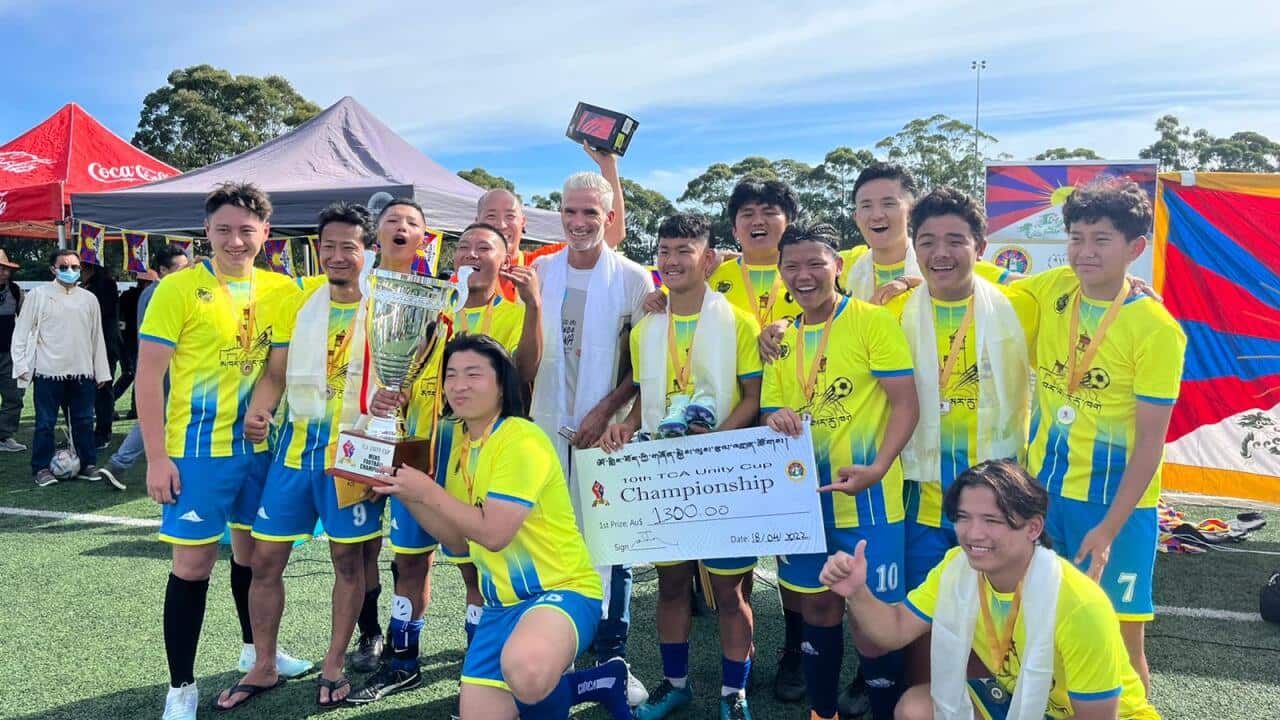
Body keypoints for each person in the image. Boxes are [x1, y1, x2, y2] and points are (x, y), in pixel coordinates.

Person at [371, 333, 630, 720]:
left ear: (500, 383)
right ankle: (593, 684)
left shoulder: (519, 438)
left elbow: (493, 534)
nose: (459, 385)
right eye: (452, 375)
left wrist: (429, 490)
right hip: (498, 607)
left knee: (526, 671)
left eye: (473, 374)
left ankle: (598, 683)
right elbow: (458, 544)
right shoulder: (461, 444)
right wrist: (408, 493)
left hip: (561, 593)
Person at [136, 183, 311, 720]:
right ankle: (181, 687)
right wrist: (157, 457)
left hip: (258, 451)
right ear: (206, 232)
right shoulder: (178, 288)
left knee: (255, 557)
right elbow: (147, 379)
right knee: (191, 567)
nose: (236, 240)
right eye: (224, 230)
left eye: (247, 230)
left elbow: (276, 370)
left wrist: (262, 409)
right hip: (195, 454)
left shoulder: (283, 291)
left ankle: (255, 652)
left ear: (266, 233)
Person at [1013, 179, 1185, 694]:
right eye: (1076, 237)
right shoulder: (1052, 289)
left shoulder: (1156, 328)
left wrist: (1109, 529)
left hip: (1114, 509)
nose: (1084, 252)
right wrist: (905, 284)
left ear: (1134, 248)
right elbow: (976, 279)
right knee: (1049, 627)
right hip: (1045, 496)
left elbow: (1150, 445)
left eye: (1100, 239)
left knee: (1119, 641)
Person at [820, 459, 1160, 720]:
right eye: (964, 517)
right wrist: (857, 591)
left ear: (1033, 527)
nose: (973, 533)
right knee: (915, 709)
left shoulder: (1078, 605)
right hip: (1032, 704)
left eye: (992, 520)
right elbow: (892, 631)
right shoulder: (957, 568)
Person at [211, 202, 382, 710]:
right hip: (293, 455)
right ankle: (263, 664)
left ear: (365, 252)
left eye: (347, 247)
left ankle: (333, 663)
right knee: (264, 560)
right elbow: (274, 374)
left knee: (348, 561)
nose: (336, 256)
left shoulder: (384, 307)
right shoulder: (301, 300)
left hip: (352, 457)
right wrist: (259, 412)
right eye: (327, 246)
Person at [599, 212, 763, 720]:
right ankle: (676, 686)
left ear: (709, 258)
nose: (671, 260)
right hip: (663, 475)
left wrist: (715, 442)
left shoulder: (737, 320)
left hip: (719, 473)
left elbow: (753, 398)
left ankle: (733, 695)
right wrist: (625, 423)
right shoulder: (646, 326)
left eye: (683, 251)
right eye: (664, 251)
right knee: (670, 586)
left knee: (729, 591)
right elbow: (647, 396)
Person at [761, 220, 919, 720]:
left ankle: (885, 709)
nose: (803, 275)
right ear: (781, 272)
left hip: (869, 499)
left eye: (814, 263)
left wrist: (879, 466)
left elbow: (905, 405)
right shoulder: (781, 338)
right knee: (818, 610)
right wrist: (775, 416)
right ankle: (822, 713)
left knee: (874, 623)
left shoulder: (873, 321)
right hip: (805, 502)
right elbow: (771, 409)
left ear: (838, 266)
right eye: (792, 266)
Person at [882, 187, 1038, 685]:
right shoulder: (890, 314)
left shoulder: (1020, 306)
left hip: (997, 505)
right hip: (921, 500)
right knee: (922, 622)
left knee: (995, 622)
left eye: (956, 240)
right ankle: (920, 704)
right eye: (927, 242)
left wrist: (1133, 289)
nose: (940, 253)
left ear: (981, 246)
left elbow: (1080, 289)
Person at [530, 170, 655, 706]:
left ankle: (611, 659)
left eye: (590, 213)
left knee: (610, 541)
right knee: (548, 536)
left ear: (609, 218)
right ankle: (555, 652)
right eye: (570, 211)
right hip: (544, 426)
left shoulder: (633, 278)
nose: (578, 222)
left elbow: (645, 365)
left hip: (608, 433)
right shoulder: (539, 270)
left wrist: (606, 412)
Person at [346, 197, 452, 704]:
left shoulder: (441, 293)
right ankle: (382, 642)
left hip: (422, 442)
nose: (402, 227)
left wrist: (410, 388)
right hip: (361, 434)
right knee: (368, 549)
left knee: (430, 559)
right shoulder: (353, 287)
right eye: (393, 220)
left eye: (413, 222)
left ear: (424, 236)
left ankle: (430, 658)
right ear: (378, 231)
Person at [437, 222, 543, 657]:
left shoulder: (516, 313)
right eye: (463, 246)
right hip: (441, 446)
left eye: (484, 247)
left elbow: (527, 371)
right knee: (459, 564)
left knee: (498, 560)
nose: (471, 254)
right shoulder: (435, 310)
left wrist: (534, 306)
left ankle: (499, 652)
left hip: (495, 451)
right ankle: (465, 652)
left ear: (506, 259)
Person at [475, 142, 626, 301]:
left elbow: (612, 235)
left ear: (523, 222)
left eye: (510, 216)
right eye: (491, 216)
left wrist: (608, 165)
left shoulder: (542, 263)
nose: (501, 224)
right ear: (477, 223)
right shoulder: (464, 278)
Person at [12, 249, 112, 487]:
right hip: (48, 372)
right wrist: (22, 365)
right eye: (64, 267)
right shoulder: (39, 295)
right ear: (53, 270)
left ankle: (88, 464)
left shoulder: (89, 299)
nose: (70, 272)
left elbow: (97, 337)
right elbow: (22, 332)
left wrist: (102, 371)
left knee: (84, 421)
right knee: (45, 423)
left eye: (75, 267)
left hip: (82, 372)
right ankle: (41, 469)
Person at [105, 246, 191, 477]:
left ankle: (122, 462)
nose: (186, 273)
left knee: (163, 412)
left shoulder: (154, 291)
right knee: (158, 413)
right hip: (163, 363)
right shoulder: (161, 293)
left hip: (161, 361)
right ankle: (120, 462)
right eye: (181, 268)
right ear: (163, 270)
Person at [79, 260, 122, 450]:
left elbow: (102, 314)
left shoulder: (104, 285)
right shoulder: (84, 287)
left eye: (77, 268)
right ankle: (86, 433)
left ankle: (103, 433)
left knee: (102, 390)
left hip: (103, 345)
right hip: (85, 346)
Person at [0, 249, 26, 452]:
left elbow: (26, 321)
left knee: (14, 396)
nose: (2, 272)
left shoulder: (16, 292)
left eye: (5, 269)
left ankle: (5, 436)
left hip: (9, 354)